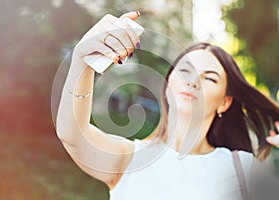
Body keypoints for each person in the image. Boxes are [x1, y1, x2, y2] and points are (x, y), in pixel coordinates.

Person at [55, 11, 279, 199]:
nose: (193, 81)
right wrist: (82, 60)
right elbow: (72, 133)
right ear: (168, 85)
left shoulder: (245, 169)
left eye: (209, 78)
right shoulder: (129, 159)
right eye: (184, 71)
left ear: (225, 102)